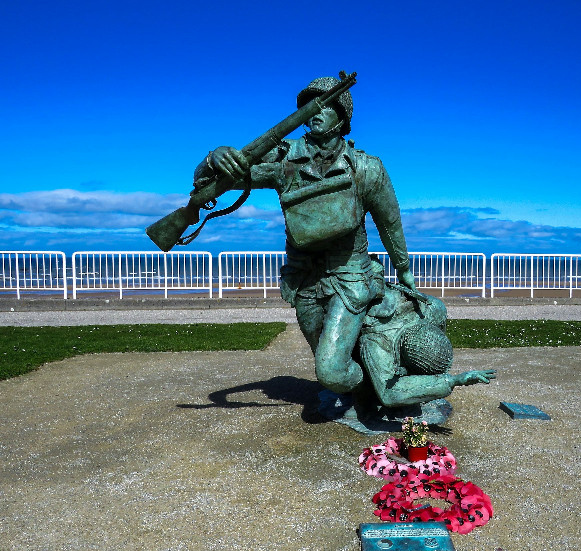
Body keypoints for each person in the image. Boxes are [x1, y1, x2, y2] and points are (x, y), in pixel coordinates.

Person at [193, 76, 415, 404]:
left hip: (350, 277)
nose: (315, 112)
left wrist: (405, 271)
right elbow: (215, 182)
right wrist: (213, 159)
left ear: (342, 117)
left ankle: (370, 388)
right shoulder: (284, 160)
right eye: (309, 106)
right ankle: (355, 395)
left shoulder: (366, 168)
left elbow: (390, 224)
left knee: (330, 371)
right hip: (304, 281)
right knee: (326, 360)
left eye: (325, 105)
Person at [358, 256, 496, 410]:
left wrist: (453, 381)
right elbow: (388, 393)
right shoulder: (432, 308)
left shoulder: (431, 307)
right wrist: (453, 380)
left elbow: (388, 394)